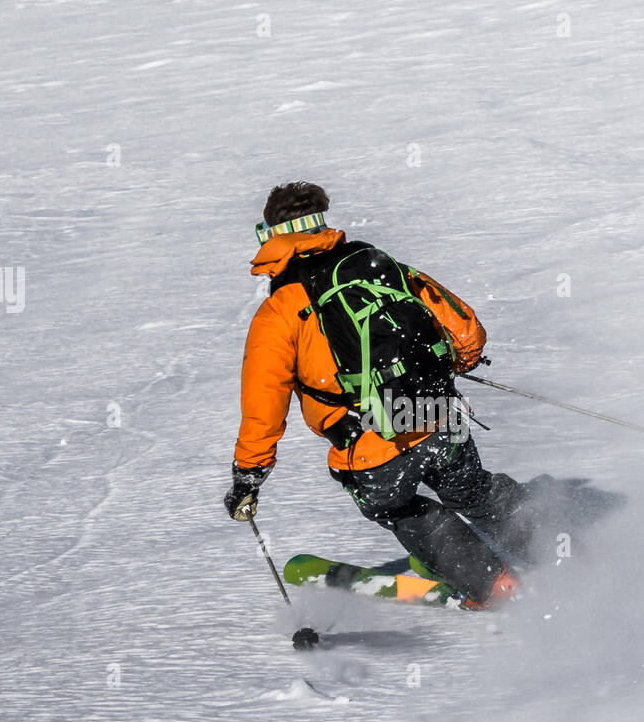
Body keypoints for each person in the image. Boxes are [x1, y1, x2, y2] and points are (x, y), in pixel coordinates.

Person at [223, 182, 537, 609]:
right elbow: (464, 327)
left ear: (272, 236)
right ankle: (551, 545)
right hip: (438, 413)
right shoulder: (375, 264)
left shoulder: (279, 311)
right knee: (473, 491)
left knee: (397, 507)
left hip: (370, 441)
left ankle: (492, 584)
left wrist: (249, 476)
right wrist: (455, 363)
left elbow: (264, 405)